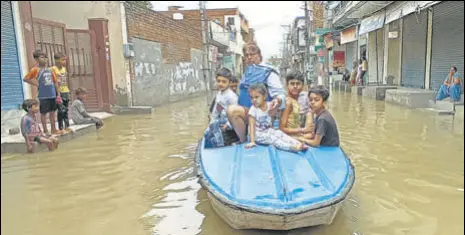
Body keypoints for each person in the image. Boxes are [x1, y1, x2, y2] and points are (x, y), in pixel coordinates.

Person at [227, 43, 286, 143]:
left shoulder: (269, 72)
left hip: (262, 114)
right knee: (230, 111)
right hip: (248, 112)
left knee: (232, 110)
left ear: (259, 55)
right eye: (246, 55)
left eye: (252, 54)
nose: (249, 57)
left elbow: (281, 94)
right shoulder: (247, 72)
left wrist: (277, 100)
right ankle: (243, 135)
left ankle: (243, 141)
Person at [245, 83, 307, 152]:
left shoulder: (270, 105)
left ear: (264, 96)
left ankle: (298, 143)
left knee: (279, 133)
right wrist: (252, 141)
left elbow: (271, 119)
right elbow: (251, 126)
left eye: (256, 97)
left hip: (267, 130)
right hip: (257, 135)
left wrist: (273, 129)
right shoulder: (253, 109)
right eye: (251, 98)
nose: (254, 100)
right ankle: (290, 147)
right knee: (273, 139)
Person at [23, 50, 62, 135]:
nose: (45, 59)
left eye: (45, 57)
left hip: (52, 95)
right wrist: (36, 84)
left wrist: (58, 94)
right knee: (44, 113)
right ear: (36, 60)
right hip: (43, 96)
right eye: (42, 57)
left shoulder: (51, 70)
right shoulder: (35, 70)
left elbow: (55, 82)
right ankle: (45, 130)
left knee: (52, 112)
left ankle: (53, 129)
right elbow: (26, 79)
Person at [204, 68, 239, 148]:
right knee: (207, 134)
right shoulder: (219, 94)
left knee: (217, 138)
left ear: (229, 83)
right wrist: (211, 122)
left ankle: (221, 146)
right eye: (218, 81)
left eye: (224, 82)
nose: (220, 84)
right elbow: (216, 111)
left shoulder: (231, 96)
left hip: (229, 123)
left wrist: (228, 124)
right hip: (220, 120)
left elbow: (236, 113)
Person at [279, 71, 314, 140]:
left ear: (303, 85)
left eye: (298, 84)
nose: (295, 86)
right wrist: (303, 130)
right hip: (288, 136)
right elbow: (282, 128)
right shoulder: (288, 102)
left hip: (297, 133)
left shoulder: (299, 99)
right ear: (287, 85)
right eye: (292, 84)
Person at [52, 52, 72, 133]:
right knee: (61, 110)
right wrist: (58, 94)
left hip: (65, 91)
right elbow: (55, 82)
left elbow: (66, 81)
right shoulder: (53, 69)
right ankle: (61, 127)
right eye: (62, 60)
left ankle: (67, 126)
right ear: (57, 60)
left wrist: (68, 91)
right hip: (58, 92)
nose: (64, 62)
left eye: (65, 60)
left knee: (66, 109)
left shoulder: (64, 69)